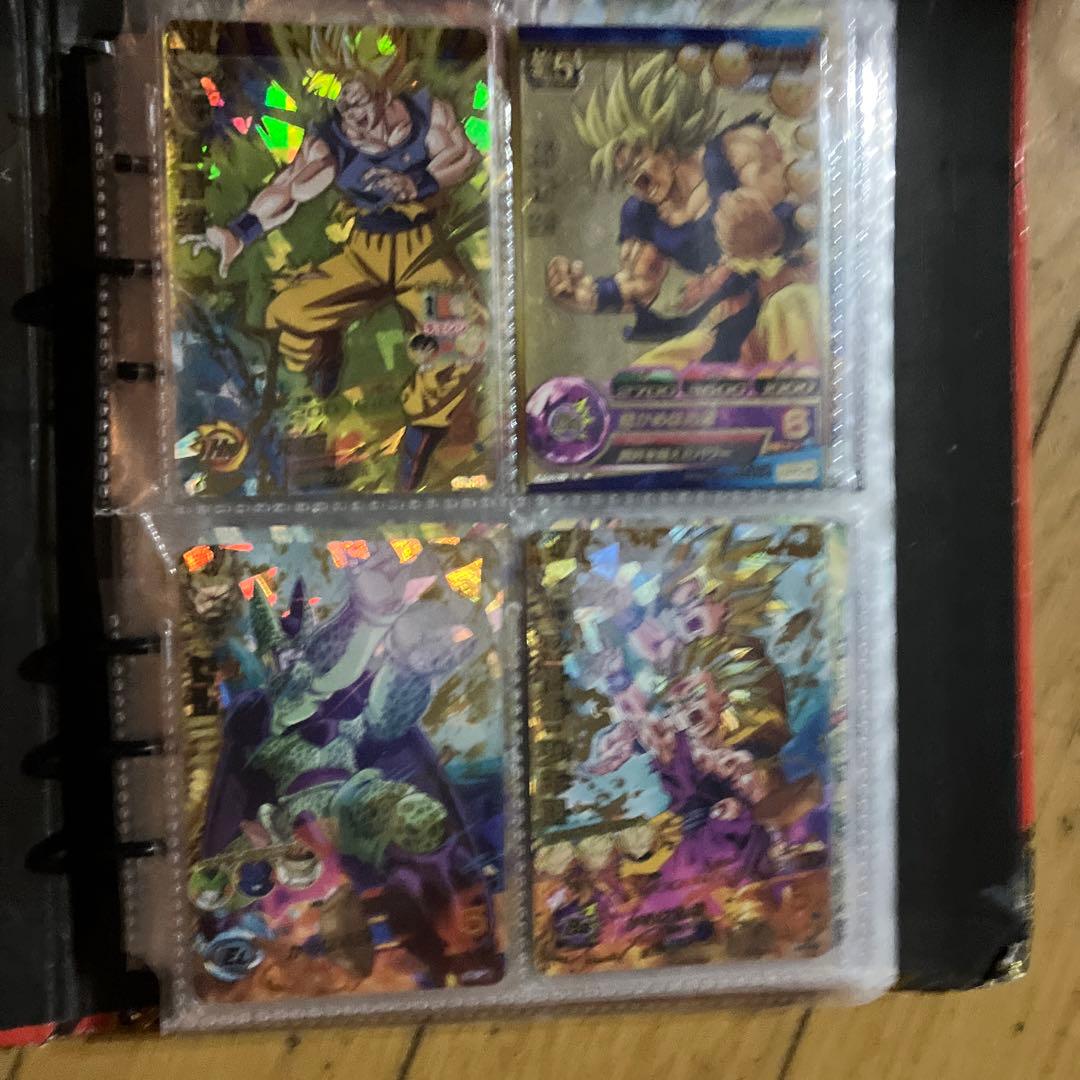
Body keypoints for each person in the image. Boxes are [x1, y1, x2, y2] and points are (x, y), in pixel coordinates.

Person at [182, 73, 482, 398]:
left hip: (423, 250)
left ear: (383, 95)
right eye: (345, 107)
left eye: (359, 102)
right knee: (289, 312)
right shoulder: (330, 143)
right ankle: (324, 353)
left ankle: (426, 418)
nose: (352, 114)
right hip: (365, 254)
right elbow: (288, 188)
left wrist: (416, 184)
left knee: (457, 339)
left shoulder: (427, 113)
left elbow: (462, 156)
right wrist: (239, 233)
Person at [545, 54, 802, 344]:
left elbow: (808, 206)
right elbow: (640, 284)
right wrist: (589, 295)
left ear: (667, 148)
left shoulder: (737, 153)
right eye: (626, 175)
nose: (636, 184)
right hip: (729, 325)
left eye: (638, 164)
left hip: (792, 304)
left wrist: (771, 234)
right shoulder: (643, 215)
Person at [397, 332, 480, 490]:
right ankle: (407, 489)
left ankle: (407, 490)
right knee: (413, 462)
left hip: (432, 421)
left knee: (414, 462)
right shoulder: (445, 363)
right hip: (427, 419)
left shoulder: (460, 367)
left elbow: (442, 392)